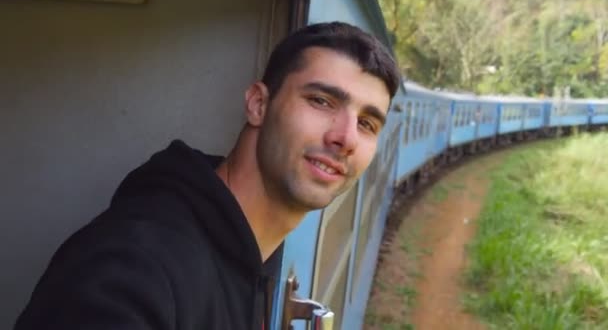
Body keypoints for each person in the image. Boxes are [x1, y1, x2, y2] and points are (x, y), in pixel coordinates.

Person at [14, 21, 400, 330]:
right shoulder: (134, 269)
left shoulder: (253, 255)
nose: (345, 138)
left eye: (367, 124)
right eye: (321, 101)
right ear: (258, 105)